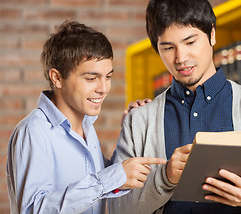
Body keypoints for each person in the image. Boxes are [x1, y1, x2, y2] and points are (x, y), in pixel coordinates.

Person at [108, 0, 241, 214]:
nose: (181, 58)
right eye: (168, 47)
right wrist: (165, 178)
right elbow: (117, 208)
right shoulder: (139, 121)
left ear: (212, 34)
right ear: (157, 49)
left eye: (190, 42)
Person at [6, 21, 166, 214]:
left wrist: (130, 130)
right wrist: (110, 178)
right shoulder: (33, 131)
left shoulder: (86, 127)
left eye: (108, 77)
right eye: (91, 78)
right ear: (57, 78)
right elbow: (34, 210)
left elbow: (104, 180)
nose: (103, 88)